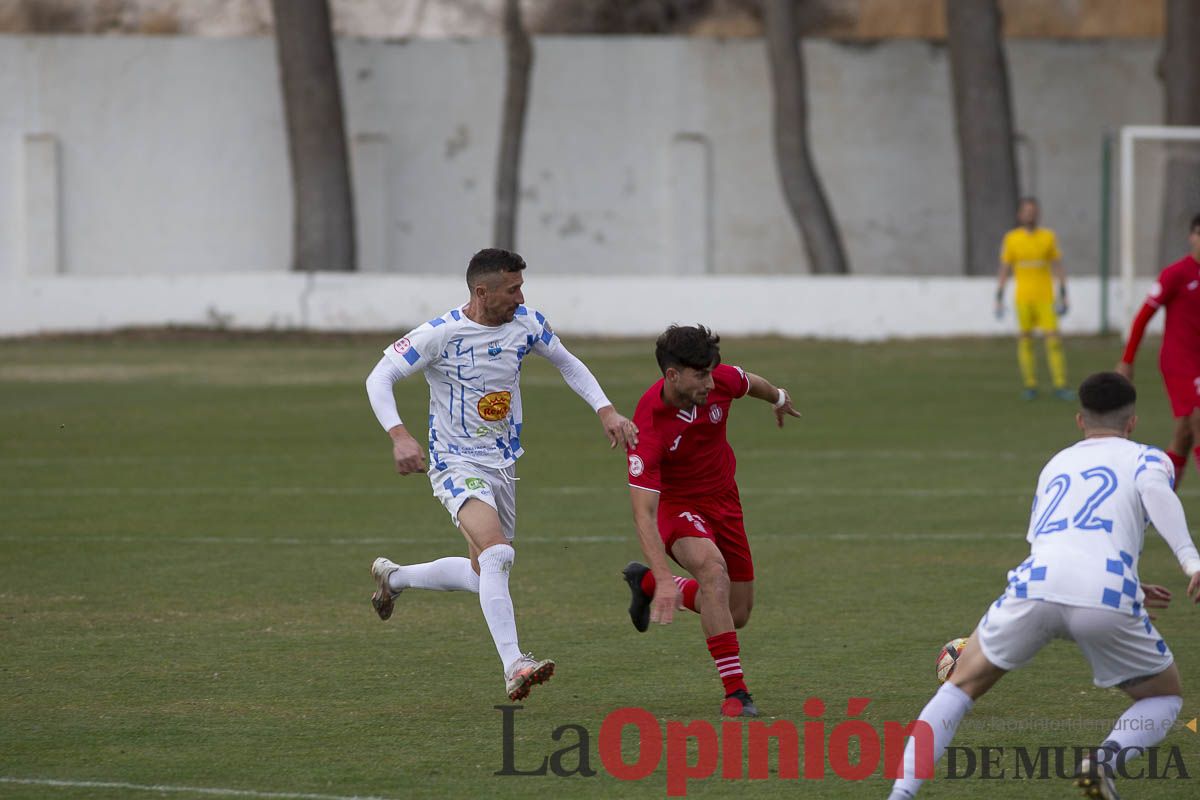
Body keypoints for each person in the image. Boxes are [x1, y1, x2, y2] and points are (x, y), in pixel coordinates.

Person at [887, 372, 1200, 800]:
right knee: (1163, 698)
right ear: (1132, 422)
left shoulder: (1056, 463)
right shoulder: (1148, 459)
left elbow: (1055, 541)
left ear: (1079, 420)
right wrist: (1190, 561)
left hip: (1036, 582)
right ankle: (1102, 763)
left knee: (958, 688)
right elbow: (1156, 494)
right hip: (1105, 594)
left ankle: (901, 794)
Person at [364, 248, 637, 702]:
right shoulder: (441, 333)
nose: (520, 296)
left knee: (483, 572)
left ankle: (394, 578)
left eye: (521, 287)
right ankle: (515, 664)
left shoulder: (527, 324)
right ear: (481, 291)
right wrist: (400, 435)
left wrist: (605, 410)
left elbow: (567, 361)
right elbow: (379, 377)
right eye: (512, 289)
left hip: (503, 463)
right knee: (497, 553)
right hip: (454, 461)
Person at [619, 325, 801, 717]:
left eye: (710, 372)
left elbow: (749, 382)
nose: (709, 381)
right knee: (713, 573)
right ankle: (736, 694)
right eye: (701, 374)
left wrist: (780, 398)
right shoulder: (647, 427)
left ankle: (644, 582)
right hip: (677, 505)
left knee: (737, 614)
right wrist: (667, 573)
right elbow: (643, 513)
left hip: (725, 501)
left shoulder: (717, 379)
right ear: (673, 376)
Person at [1116, 213, 1200, 490]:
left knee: (1185, 433)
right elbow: (1143, 317)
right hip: (1180, 362)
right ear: (1191, 236)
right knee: (1198, 418)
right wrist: (1128, 360)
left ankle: (1156, 501)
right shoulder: (1176, 274)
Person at [995, 197, 1072, 400]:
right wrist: (998, 297)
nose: (1030, 214)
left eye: (1033, 211)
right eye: (1026, 211)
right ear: (1020, 215)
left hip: (1046, 297)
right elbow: (1004, 268)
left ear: (1038, 214)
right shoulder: (1011, 239)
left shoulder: (1048, 237)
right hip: (1023, 298)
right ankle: (1030, 385)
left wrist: (1064, 294)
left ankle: (1060, 384)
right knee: (1026, 342)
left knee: (1054, 341)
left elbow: (1058, 266)